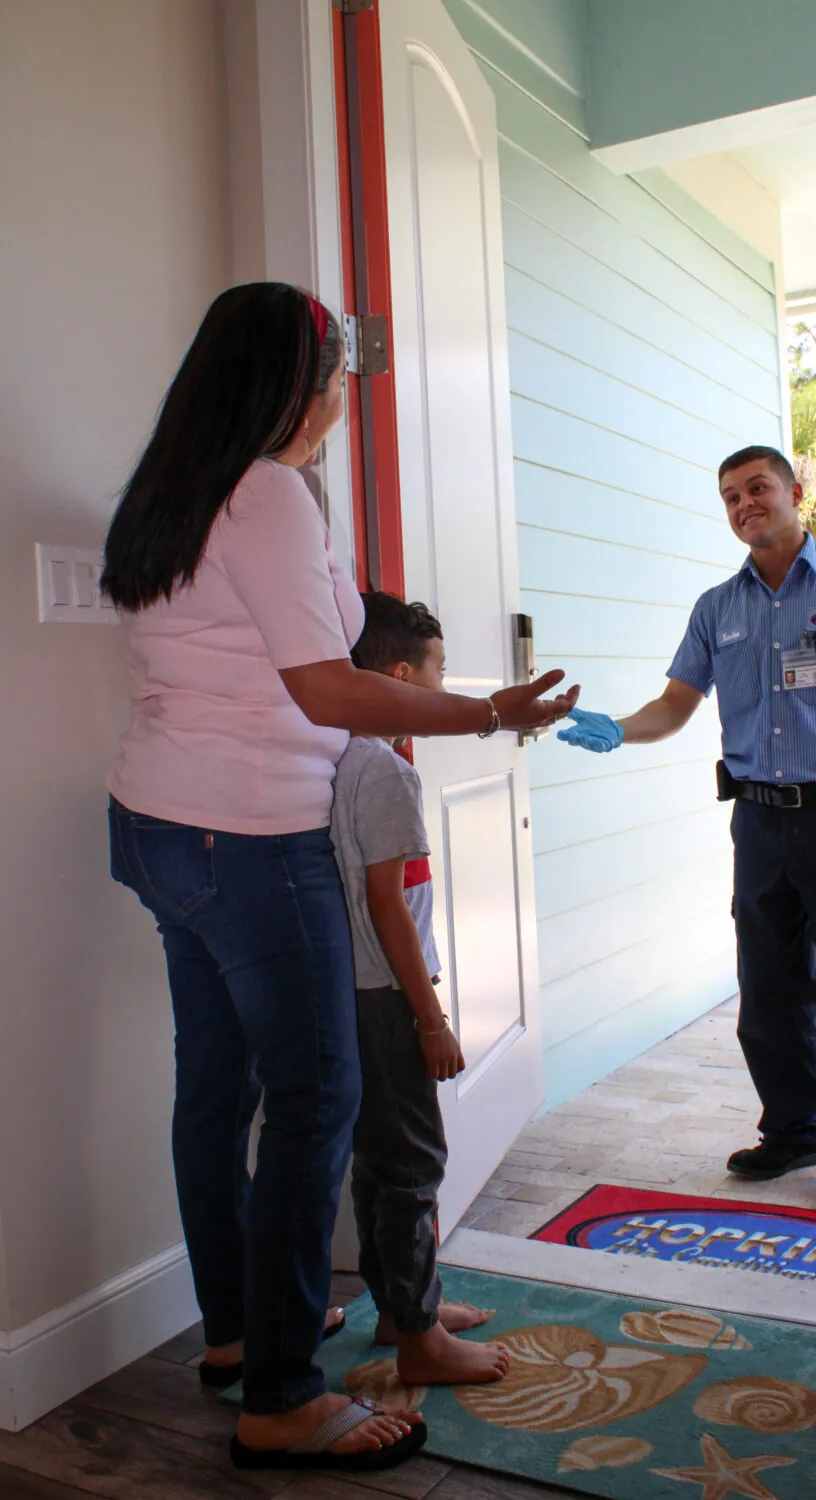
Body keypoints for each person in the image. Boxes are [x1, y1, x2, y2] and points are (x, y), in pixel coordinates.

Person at [101, 283, 578, 1473]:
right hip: (247, 841)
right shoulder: (264, 492)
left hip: (160, 824)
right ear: (292, 382)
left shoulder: (179, 482)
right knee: (318, 1099)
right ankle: (283, 1398)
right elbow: (324, 688)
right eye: (334, 367)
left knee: (215, 1091)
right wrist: (485, 712)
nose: (343, 388)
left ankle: (235, 1336)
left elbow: (289, 648)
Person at [558, 445, 816, 1217]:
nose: (745, 503)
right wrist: (619, 726)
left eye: (758, 488)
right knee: (771, 990)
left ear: (794, 492)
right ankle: (795, 1129)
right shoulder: (719, 608)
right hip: (758, 824)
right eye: (730, 496)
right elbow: (676, 704)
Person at [331, 591, 509, 1386]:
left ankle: (409, 1310)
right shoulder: (389, 772)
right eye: (437, 673)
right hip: (387, 995)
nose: (444, 690)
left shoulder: (334, 753)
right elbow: (388, 907)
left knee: (378, 1159)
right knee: (411, 1162)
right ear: (401, 677)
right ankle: (419, 1343)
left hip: (350, 988)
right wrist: (430, 1019)